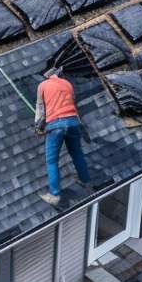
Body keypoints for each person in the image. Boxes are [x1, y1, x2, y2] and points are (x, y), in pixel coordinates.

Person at [33, 66, 91, 206]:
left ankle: (54, 195)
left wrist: (38, 127)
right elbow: (72, 104)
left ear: (47, 76)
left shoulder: (43, 85)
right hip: (73, 122)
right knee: (77, 154)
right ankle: (85, 180)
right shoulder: (67, 84)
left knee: (52, 161)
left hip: (55, 125)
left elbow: (40, 109)